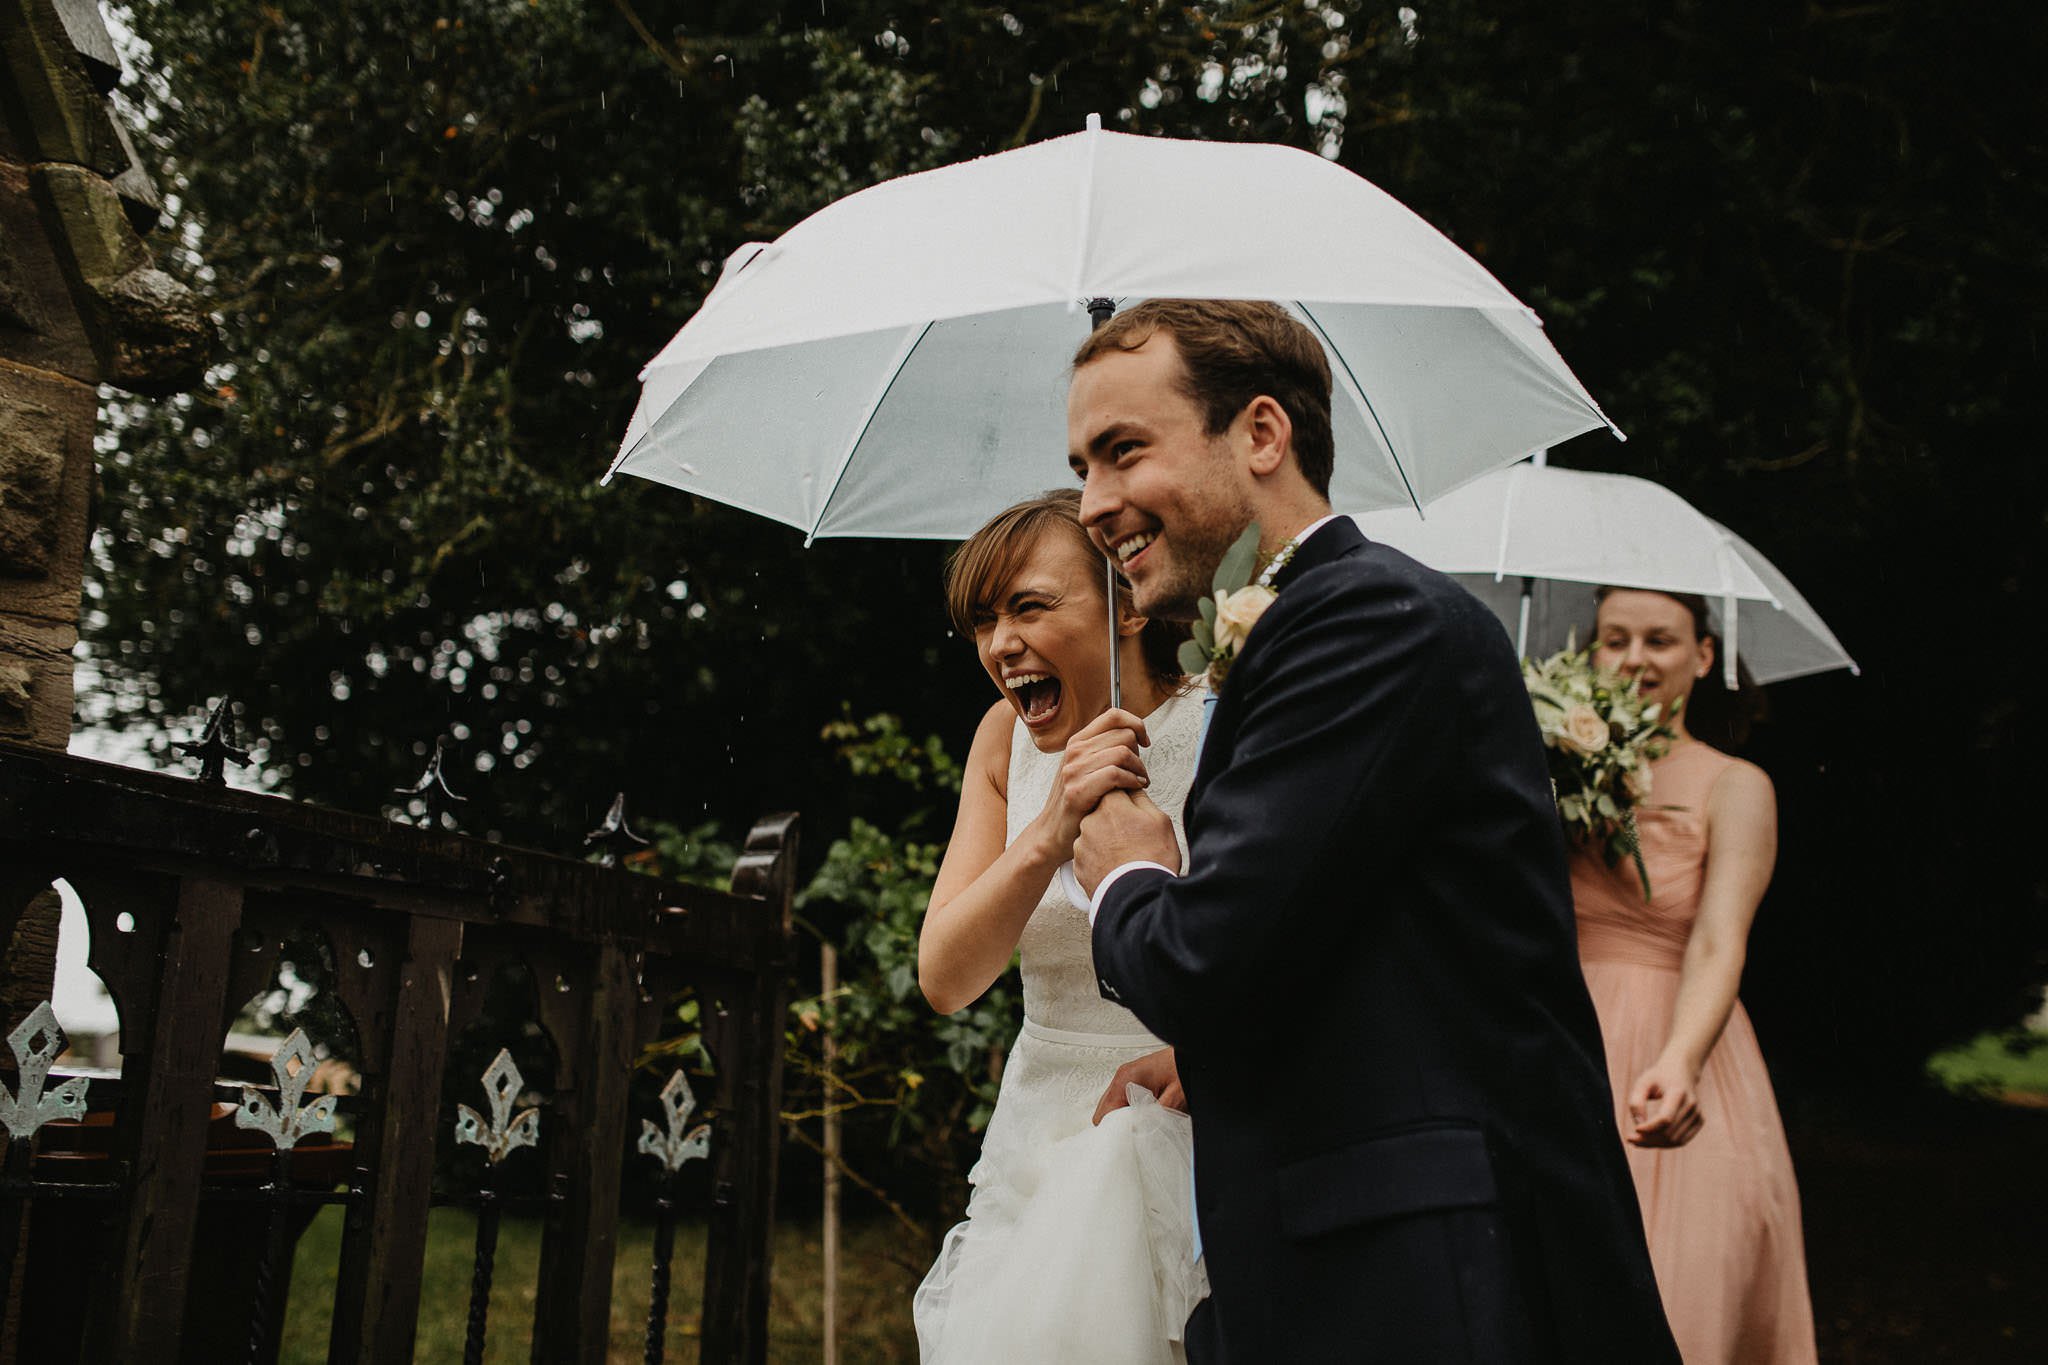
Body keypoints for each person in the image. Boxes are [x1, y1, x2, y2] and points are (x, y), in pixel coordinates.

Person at [1067, 298, 1678, 1362]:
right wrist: (1210, 1064)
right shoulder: (1309, 626)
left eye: (1122, 452)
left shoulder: (1362, 622)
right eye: (1081, 465)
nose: (1090, 503)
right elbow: (1366, 939)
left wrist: (1125, 878)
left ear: (1261, 433)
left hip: (1422, 1277)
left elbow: (1200, 956)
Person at [912, 489, 1209, 1364]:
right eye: (983, 620)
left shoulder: (1221, 723)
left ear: (1125, 601)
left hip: (1186, 1125)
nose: (1002, 644)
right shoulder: (1003, 740)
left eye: (1030, 607)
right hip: (1038, 1135)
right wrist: (1050, 830)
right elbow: (946, 977)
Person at [1578, 586, 1818, 1363]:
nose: (1636, 659)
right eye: (1616, 639)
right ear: (1591, 653)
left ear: (1704, 657)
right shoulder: (1543, 770)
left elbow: (1720, 939)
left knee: (1681, 1306)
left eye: (1661, 640)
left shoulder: (1734, 785)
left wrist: (1680, 1059)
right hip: (1560, 1043)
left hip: (1678, 1042)